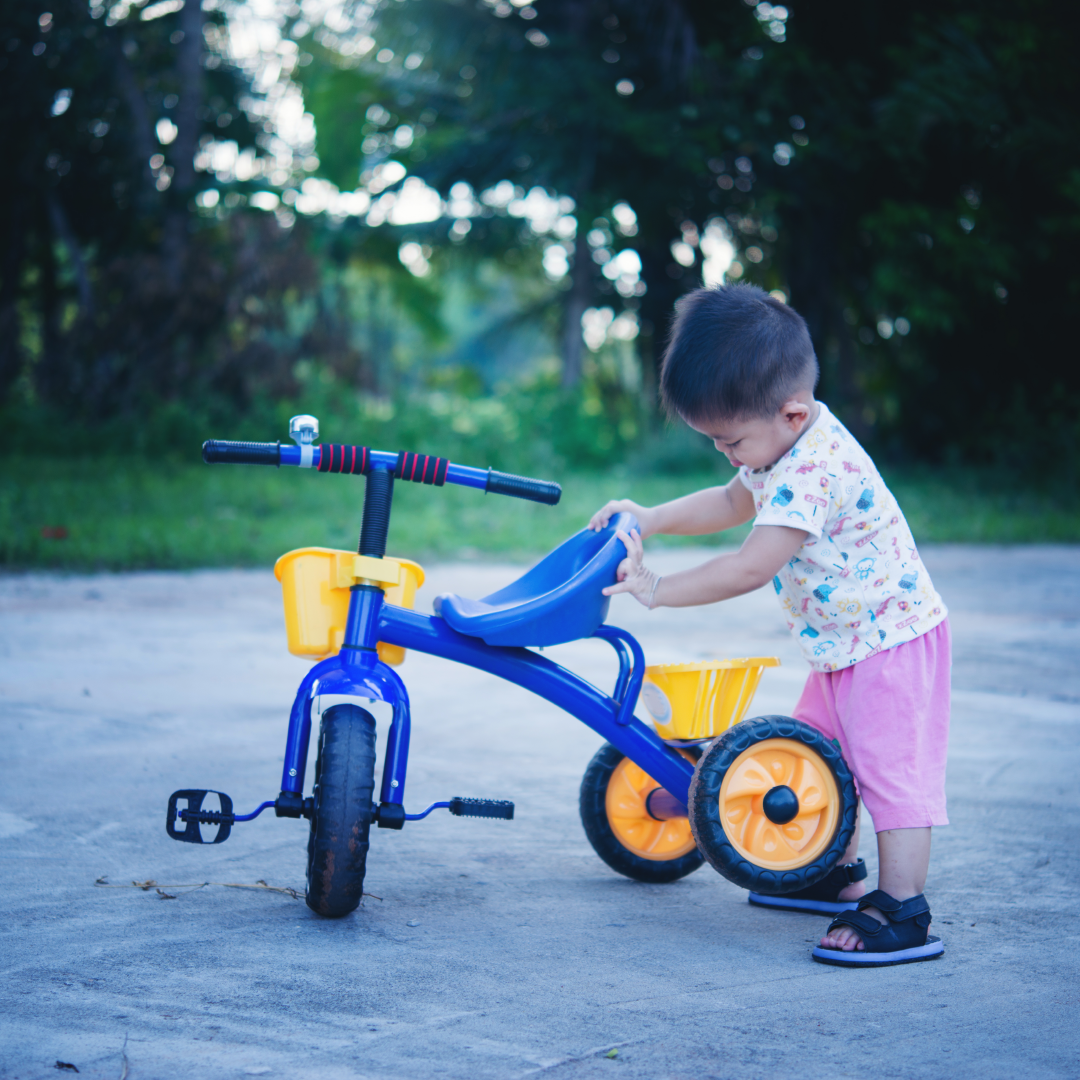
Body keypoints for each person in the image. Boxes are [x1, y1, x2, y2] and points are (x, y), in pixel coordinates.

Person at [588, 283, 950, 967]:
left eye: (731, 440)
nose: (727, 454)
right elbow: (733, 498)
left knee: (889, 774)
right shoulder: (782, 441)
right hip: (844, 644)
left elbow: (750, 566)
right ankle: (833, 871)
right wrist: (655, 516)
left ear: (791, 413)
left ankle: (903, 907)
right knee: (816, 750)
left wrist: (658, 589)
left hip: (889, 643)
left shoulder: (814, 470)